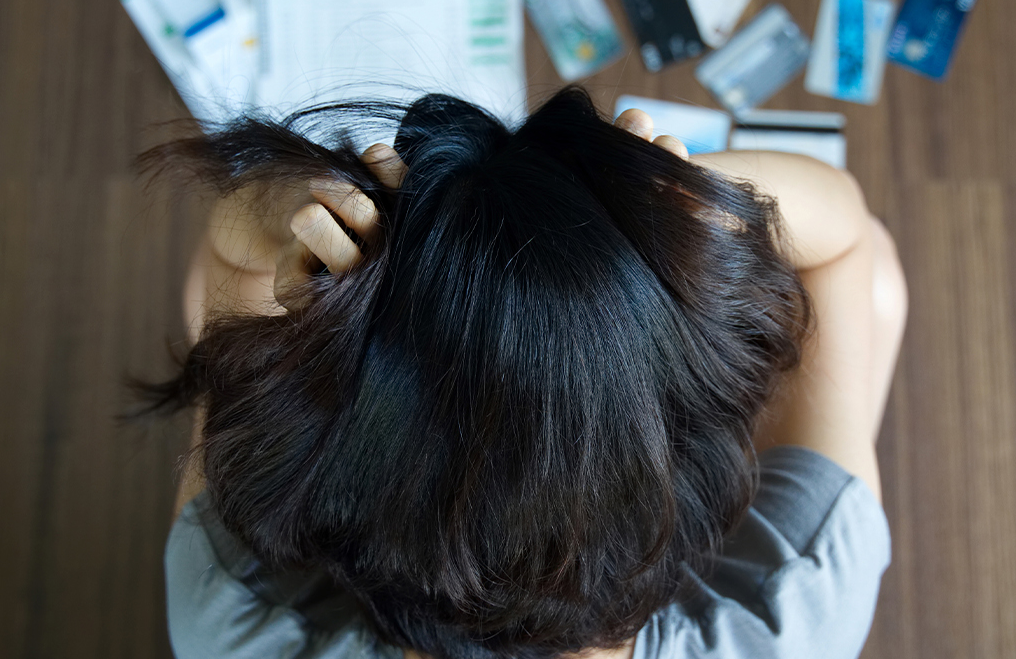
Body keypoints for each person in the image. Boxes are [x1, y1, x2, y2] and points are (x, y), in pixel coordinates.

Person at [140, 88, 907, 659]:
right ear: (707, 499)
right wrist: (687, 203)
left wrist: (317, 215)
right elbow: (843, 243)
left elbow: (228, 256)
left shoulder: (233, 624)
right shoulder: (793, 612)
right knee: (873, 290)